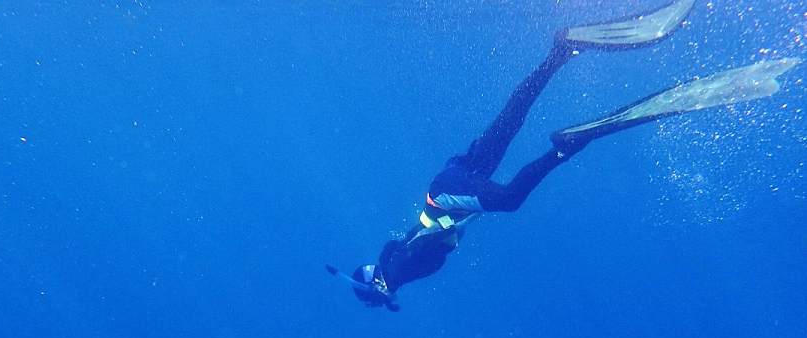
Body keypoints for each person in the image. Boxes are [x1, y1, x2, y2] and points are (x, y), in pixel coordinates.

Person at [326, 0, 798, 312]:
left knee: (510, 197)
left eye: (379, 288)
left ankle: (564, 146)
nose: (386, 289)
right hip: (454, 184)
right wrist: (387, 284)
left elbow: (392, 254)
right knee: (509, 123)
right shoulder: (405, 271)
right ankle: (561, 51)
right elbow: (413, 258)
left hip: (444, 195)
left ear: (374, 282)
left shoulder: (394, 261)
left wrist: (377, 279)